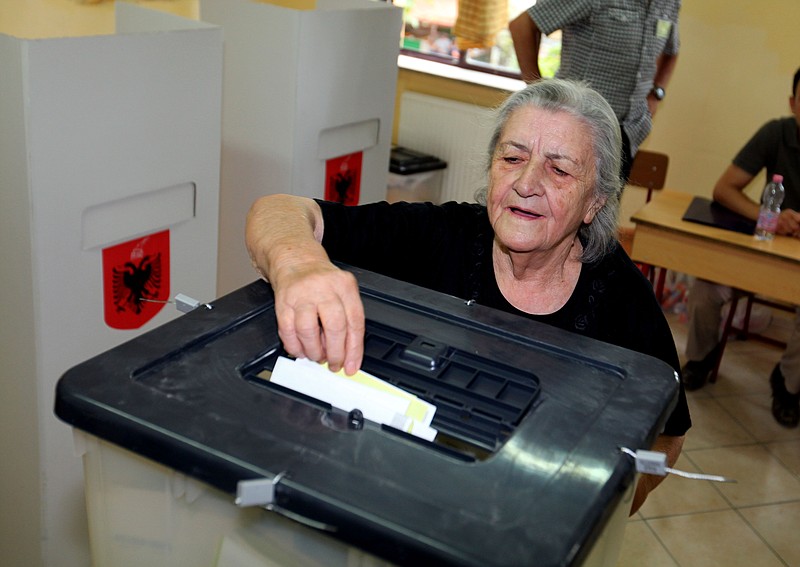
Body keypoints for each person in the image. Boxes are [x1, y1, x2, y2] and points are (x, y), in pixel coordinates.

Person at [246, 78, 690, 514]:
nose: (526, 183)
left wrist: (607, 512)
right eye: (512, 158)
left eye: (558, 170)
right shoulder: (442, 237)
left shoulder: (621, 296)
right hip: (408, 489)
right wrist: (300, 265)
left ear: (595, 201)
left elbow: (669, 432)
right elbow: (281, 210)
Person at [681, 67, 800, 428]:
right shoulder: (776, 132)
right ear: (794, 104)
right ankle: (701, 357)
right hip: (763, 248)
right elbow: (725, 189)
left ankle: (788, 385)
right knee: (704, 287)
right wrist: (770, 217)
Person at [509, 1, 680, 181]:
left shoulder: (669, 3)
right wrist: (538, 89)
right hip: (577, 125)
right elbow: (522, 26)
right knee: (559, 200)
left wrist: (656, 94)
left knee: (606, 205)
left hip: (628, 130)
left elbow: (672, 51)